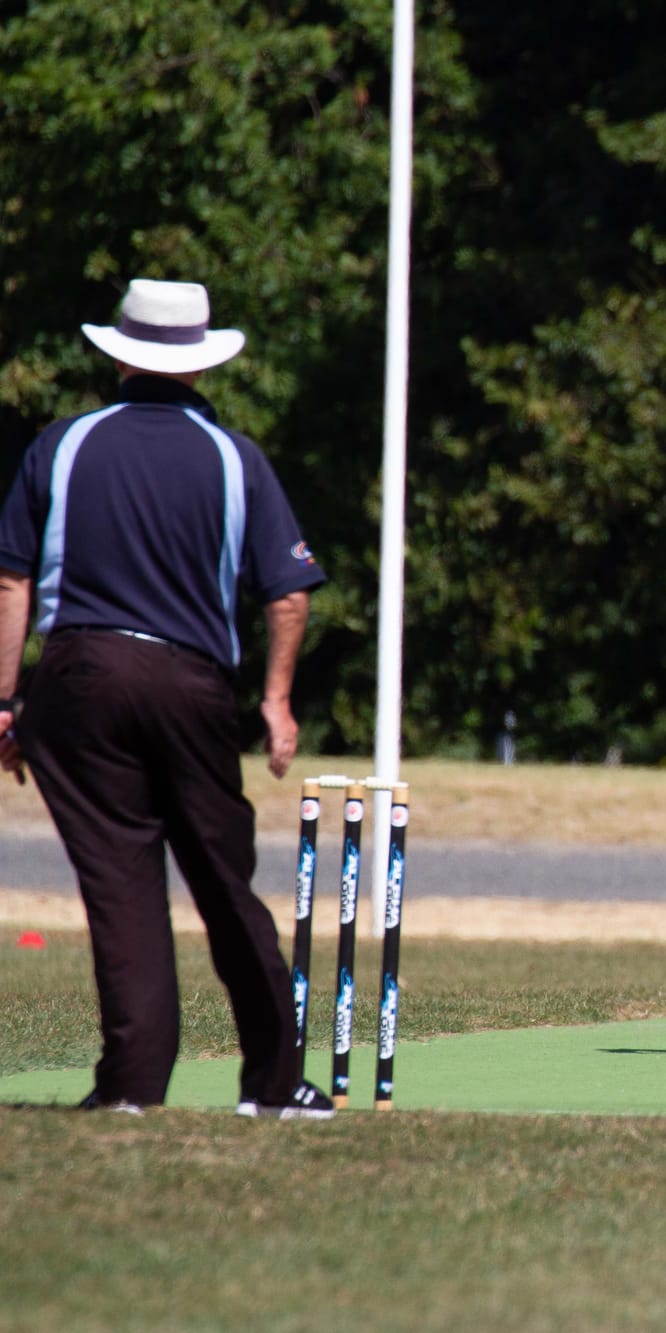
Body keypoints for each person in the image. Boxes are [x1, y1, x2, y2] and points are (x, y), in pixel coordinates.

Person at [0, 278, 333, 1116]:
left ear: (118, 353)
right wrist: (278, 700)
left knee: (121, 885)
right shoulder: (233, 456)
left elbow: (11, 580)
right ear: (198, 363)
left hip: (79, 678)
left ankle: (131, 1088)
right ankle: (276, 1082)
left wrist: (5, 701)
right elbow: (288, 593)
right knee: (225, 881)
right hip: (191, 685)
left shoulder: (63, 445)